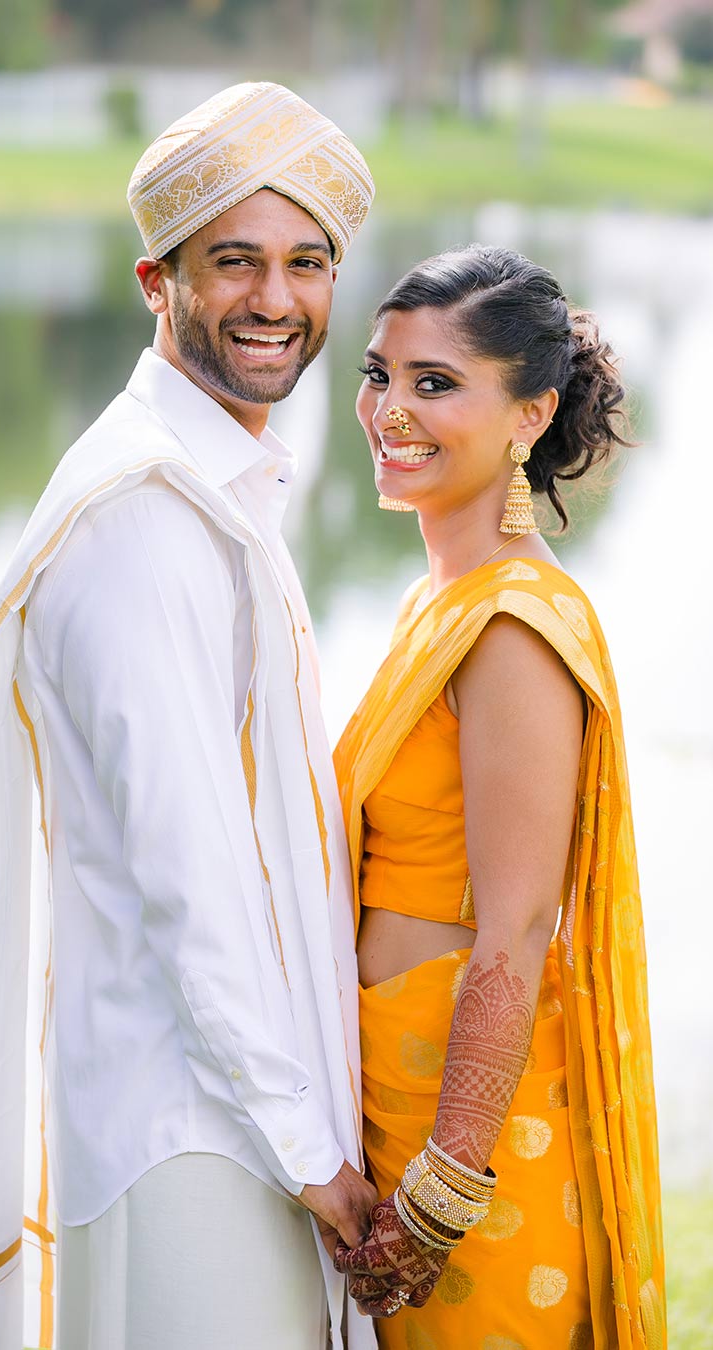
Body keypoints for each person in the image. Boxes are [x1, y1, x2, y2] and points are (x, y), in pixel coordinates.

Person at [0, 84, 378, 1350]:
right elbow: (192, 876)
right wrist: (307, 1149)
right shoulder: (138, 517)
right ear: (155, 278)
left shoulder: (211, 487)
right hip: (189, 1136)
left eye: (306, 262)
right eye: (234, 262)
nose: (276, 300)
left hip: (236, 1118)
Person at [331, 245, 666, 1347]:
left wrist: (444, 1190)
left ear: (530, 414)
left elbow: (516, 930)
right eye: (381, 375)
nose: (390, 411)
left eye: (437, 384)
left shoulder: (514, 628)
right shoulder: (441, 601)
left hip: (469, 1143)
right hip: (388, 1091)